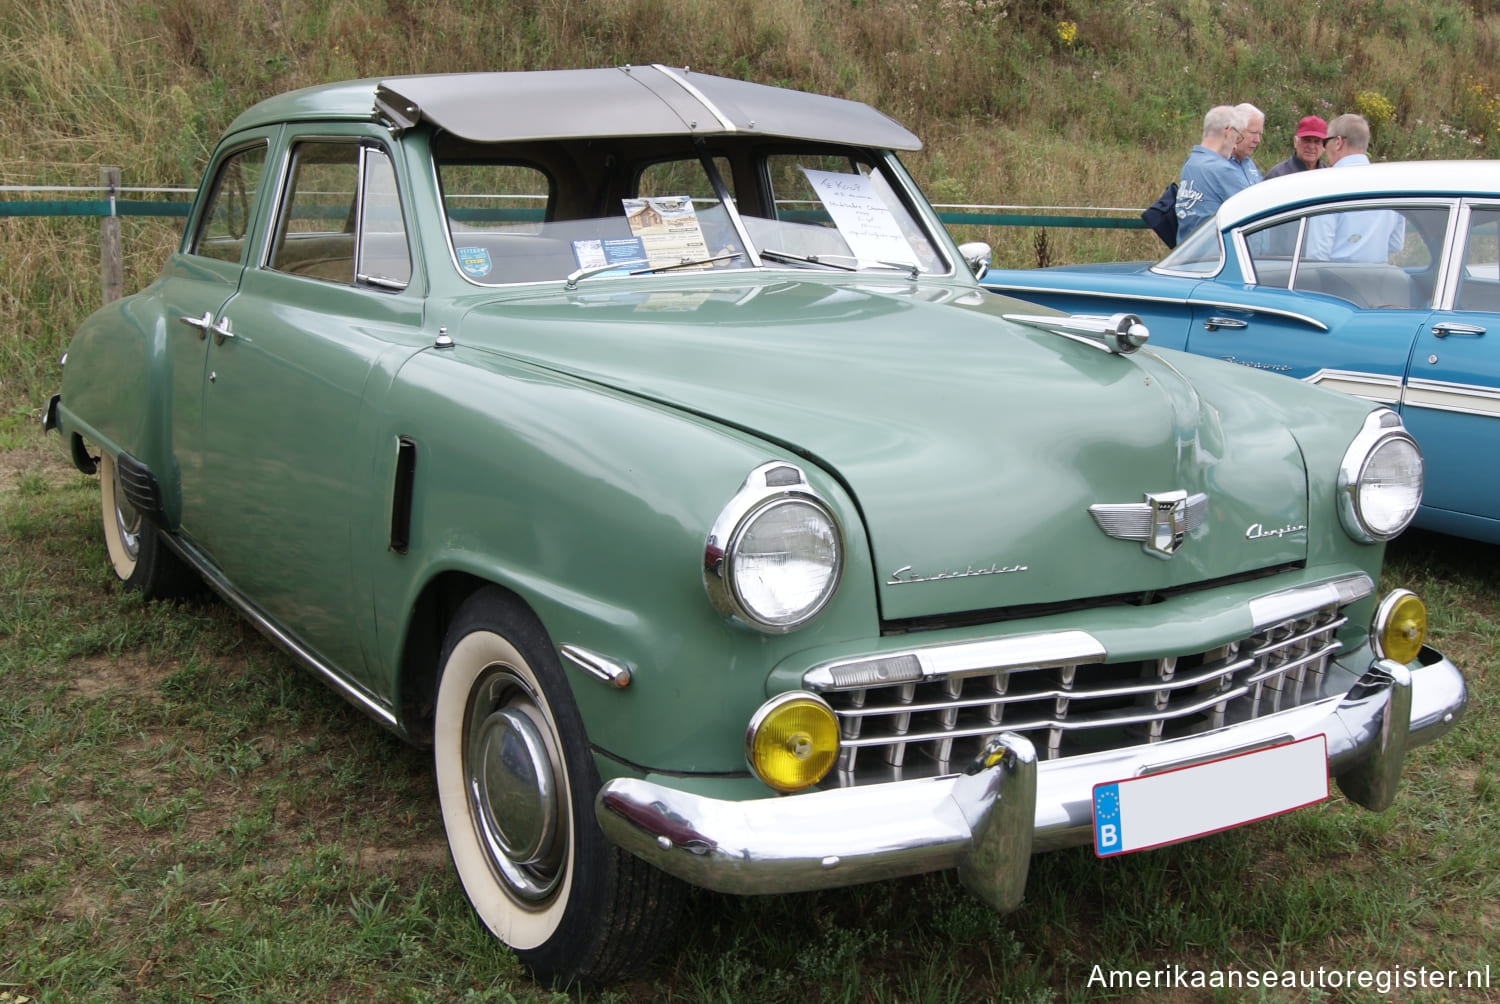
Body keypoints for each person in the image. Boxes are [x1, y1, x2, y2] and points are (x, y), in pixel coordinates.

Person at [1304, 114, 1405, 262]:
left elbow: (1317, 253)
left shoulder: (1327, 185)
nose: (1324, 149)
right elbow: (1396, 244)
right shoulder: (1391, 185)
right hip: (1378, 279)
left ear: (1338, 142)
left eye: (1325, 142)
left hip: (1335, 278)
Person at [1175, 106, 1251, 241]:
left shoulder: (1190, 164)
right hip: (1214, 255)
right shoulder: (1223, 170)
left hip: (1186, 252)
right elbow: (1253, 215)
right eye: (1237, 138)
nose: (1235, 146)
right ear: (1228, 131)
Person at [1265, 115, 1327, 179]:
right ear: (1295, 142)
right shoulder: (1277, 175)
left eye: (1317, 141)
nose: (1311, 146)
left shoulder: (1328, 175)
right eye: (1306, 140)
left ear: (1324, 146)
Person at [1231, 103, 1265, 183]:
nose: (1257, 140)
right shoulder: (1216, 165)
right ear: (1235, 131)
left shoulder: (1248, 163)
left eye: (1259, 134)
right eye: (1253, 132)